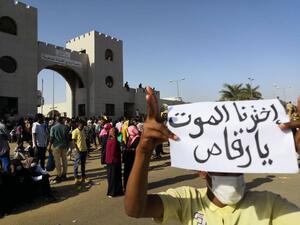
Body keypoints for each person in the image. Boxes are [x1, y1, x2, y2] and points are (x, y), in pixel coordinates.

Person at [124, 87, 300, 225]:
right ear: (202, 170)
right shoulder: (187, 200)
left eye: (239, 166)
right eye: (223, 167)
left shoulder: (270, 205)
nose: (233, 173)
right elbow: (135, 210)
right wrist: (143, 152)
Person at [48, 117, 69, 184]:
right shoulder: (65, 127)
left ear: (56, 121)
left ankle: (59, 175)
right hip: (64, 146)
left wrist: (49, 146)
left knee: (57, 161)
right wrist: (67, 145)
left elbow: (51, 138)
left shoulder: (53, 128)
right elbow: (67, 137)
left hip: (56, 146)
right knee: (64, 160)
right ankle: (64, 174)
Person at [105, 127, 123, 197]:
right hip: (114, 161)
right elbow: (113, 153)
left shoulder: (109, 139)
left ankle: (114, 192)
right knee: (115, 178)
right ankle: (113, 192)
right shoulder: (114, 141)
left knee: (111, 178)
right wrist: (120, 152)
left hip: (110, 161)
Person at [123, 123, 140, 191]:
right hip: (128, 158)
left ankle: (134, 186)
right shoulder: (129, 137)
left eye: (129, 131)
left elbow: (137, 148)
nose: (128, 132)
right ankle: (126, 186)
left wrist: (129, 149)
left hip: (133, 158)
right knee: (126, 173)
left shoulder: (138, 138)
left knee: (133, 173)